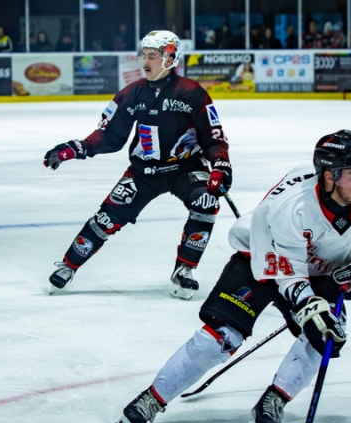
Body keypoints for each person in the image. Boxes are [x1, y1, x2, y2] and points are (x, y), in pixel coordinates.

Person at [113, 130, 351, 423]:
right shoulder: (289, 208)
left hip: (322, 269)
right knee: (219, 338)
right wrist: (308, 305)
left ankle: (274, 400)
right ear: (329, 177)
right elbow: (285, 271)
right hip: (260, 259)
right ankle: (153, 397)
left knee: (325, 334)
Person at [42, 30, 232, 300]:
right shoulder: (132, 94)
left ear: (169, 58)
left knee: (206, 201)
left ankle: (185, 270)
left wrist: (221, 166)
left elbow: (213, 138)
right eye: (144, 56)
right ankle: (68, 266)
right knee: (106, 218)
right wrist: (76, 148)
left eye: (152, 56)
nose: (145, 62)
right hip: (144, 172)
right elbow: (109, 136)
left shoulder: (192, 93)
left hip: (185, 168)